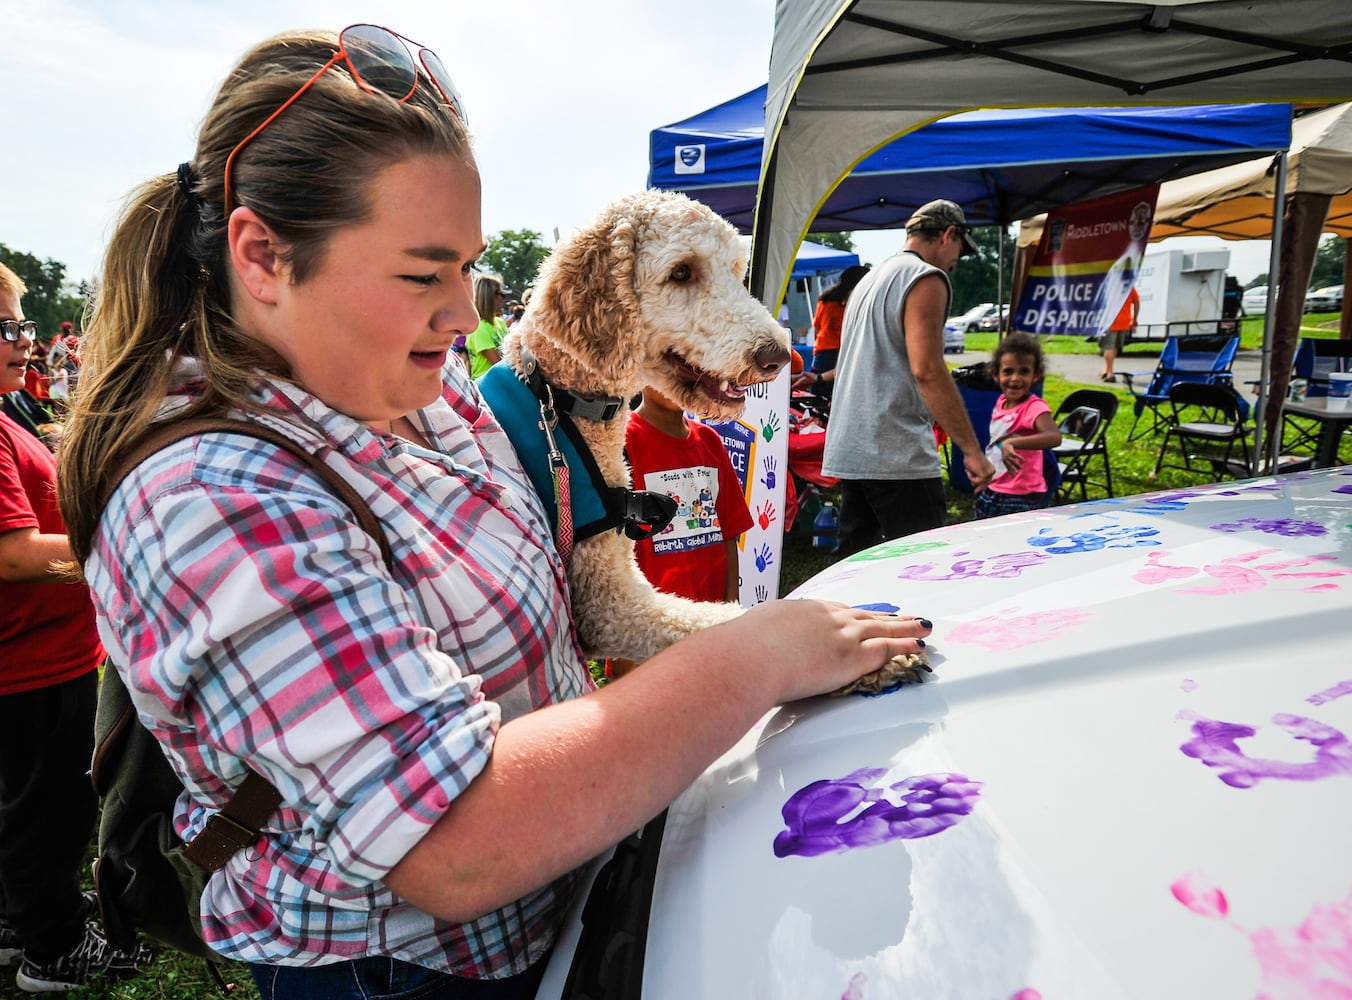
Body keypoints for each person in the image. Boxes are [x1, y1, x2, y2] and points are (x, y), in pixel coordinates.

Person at [56, 27, 931, 999]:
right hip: (401, 970)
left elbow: (570, 589)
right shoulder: (206, 498)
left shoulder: (411, 397)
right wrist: (760, 651)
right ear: (264, 255)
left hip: (550, 913)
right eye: (417, 269)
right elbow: (452, 842)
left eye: (464, 266)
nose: (465, 313)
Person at [0, 262, 151, 992]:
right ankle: (53, 950)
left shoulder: (8, 413)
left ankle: (21, 914)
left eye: (23, 323)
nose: (24, 339)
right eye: (6, 326)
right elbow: (16, 555)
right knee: (50, 814)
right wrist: (120, 548)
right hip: (32, 666)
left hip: (41, 658)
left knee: (25, 807)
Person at [821, 199, 996, 558]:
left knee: (853, 565)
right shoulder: (925, 278)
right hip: (895, 452)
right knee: (923, 563)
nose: (954, 263)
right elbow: (928, 371)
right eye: (959, 253)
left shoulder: (870, 279)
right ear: (949, 235)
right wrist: (972, 451)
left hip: (852, 447)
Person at [626, 385, 753, 604]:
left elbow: (729, 536)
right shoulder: (623, 443)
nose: (679, 381)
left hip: (712, 620)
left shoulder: (710, 441)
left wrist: (731, 611)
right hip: (652, 624)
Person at [973, 333, 1062, 520]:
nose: (1015, 378)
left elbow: (1054, 436)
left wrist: (1013, 443)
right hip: (995, 488)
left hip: (1023, 496)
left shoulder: (1033, 407)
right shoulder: (1001, 402)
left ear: (1036, 374)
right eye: (1008, 371)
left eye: (1024, 371)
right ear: (995, 374)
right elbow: (996, 442)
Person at [792, 263, 871, 400]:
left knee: (818, 396)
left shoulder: (825, 299)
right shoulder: (856, 304)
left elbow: (816, 328)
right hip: (841, 351)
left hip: (824, 350)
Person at [465, 272, 508, 378]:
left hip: (503, 381)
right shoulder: (478, 328)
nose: (503, 298)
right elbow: (499, 363)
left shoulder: (501, 322)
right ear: (488, 296)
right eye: (501, 293)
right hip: (487, 387)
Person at [1099, 284, 1139, 382]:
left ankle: (1110, 374)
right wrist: (1134, 319)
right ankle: (1107, 369)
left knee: (1108, 347)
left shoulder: (1110, 285)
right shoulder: (1129, 286)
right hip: (1124, 321)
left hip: (1109, 321)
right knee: (1115, 347)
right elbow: (1137, 302)